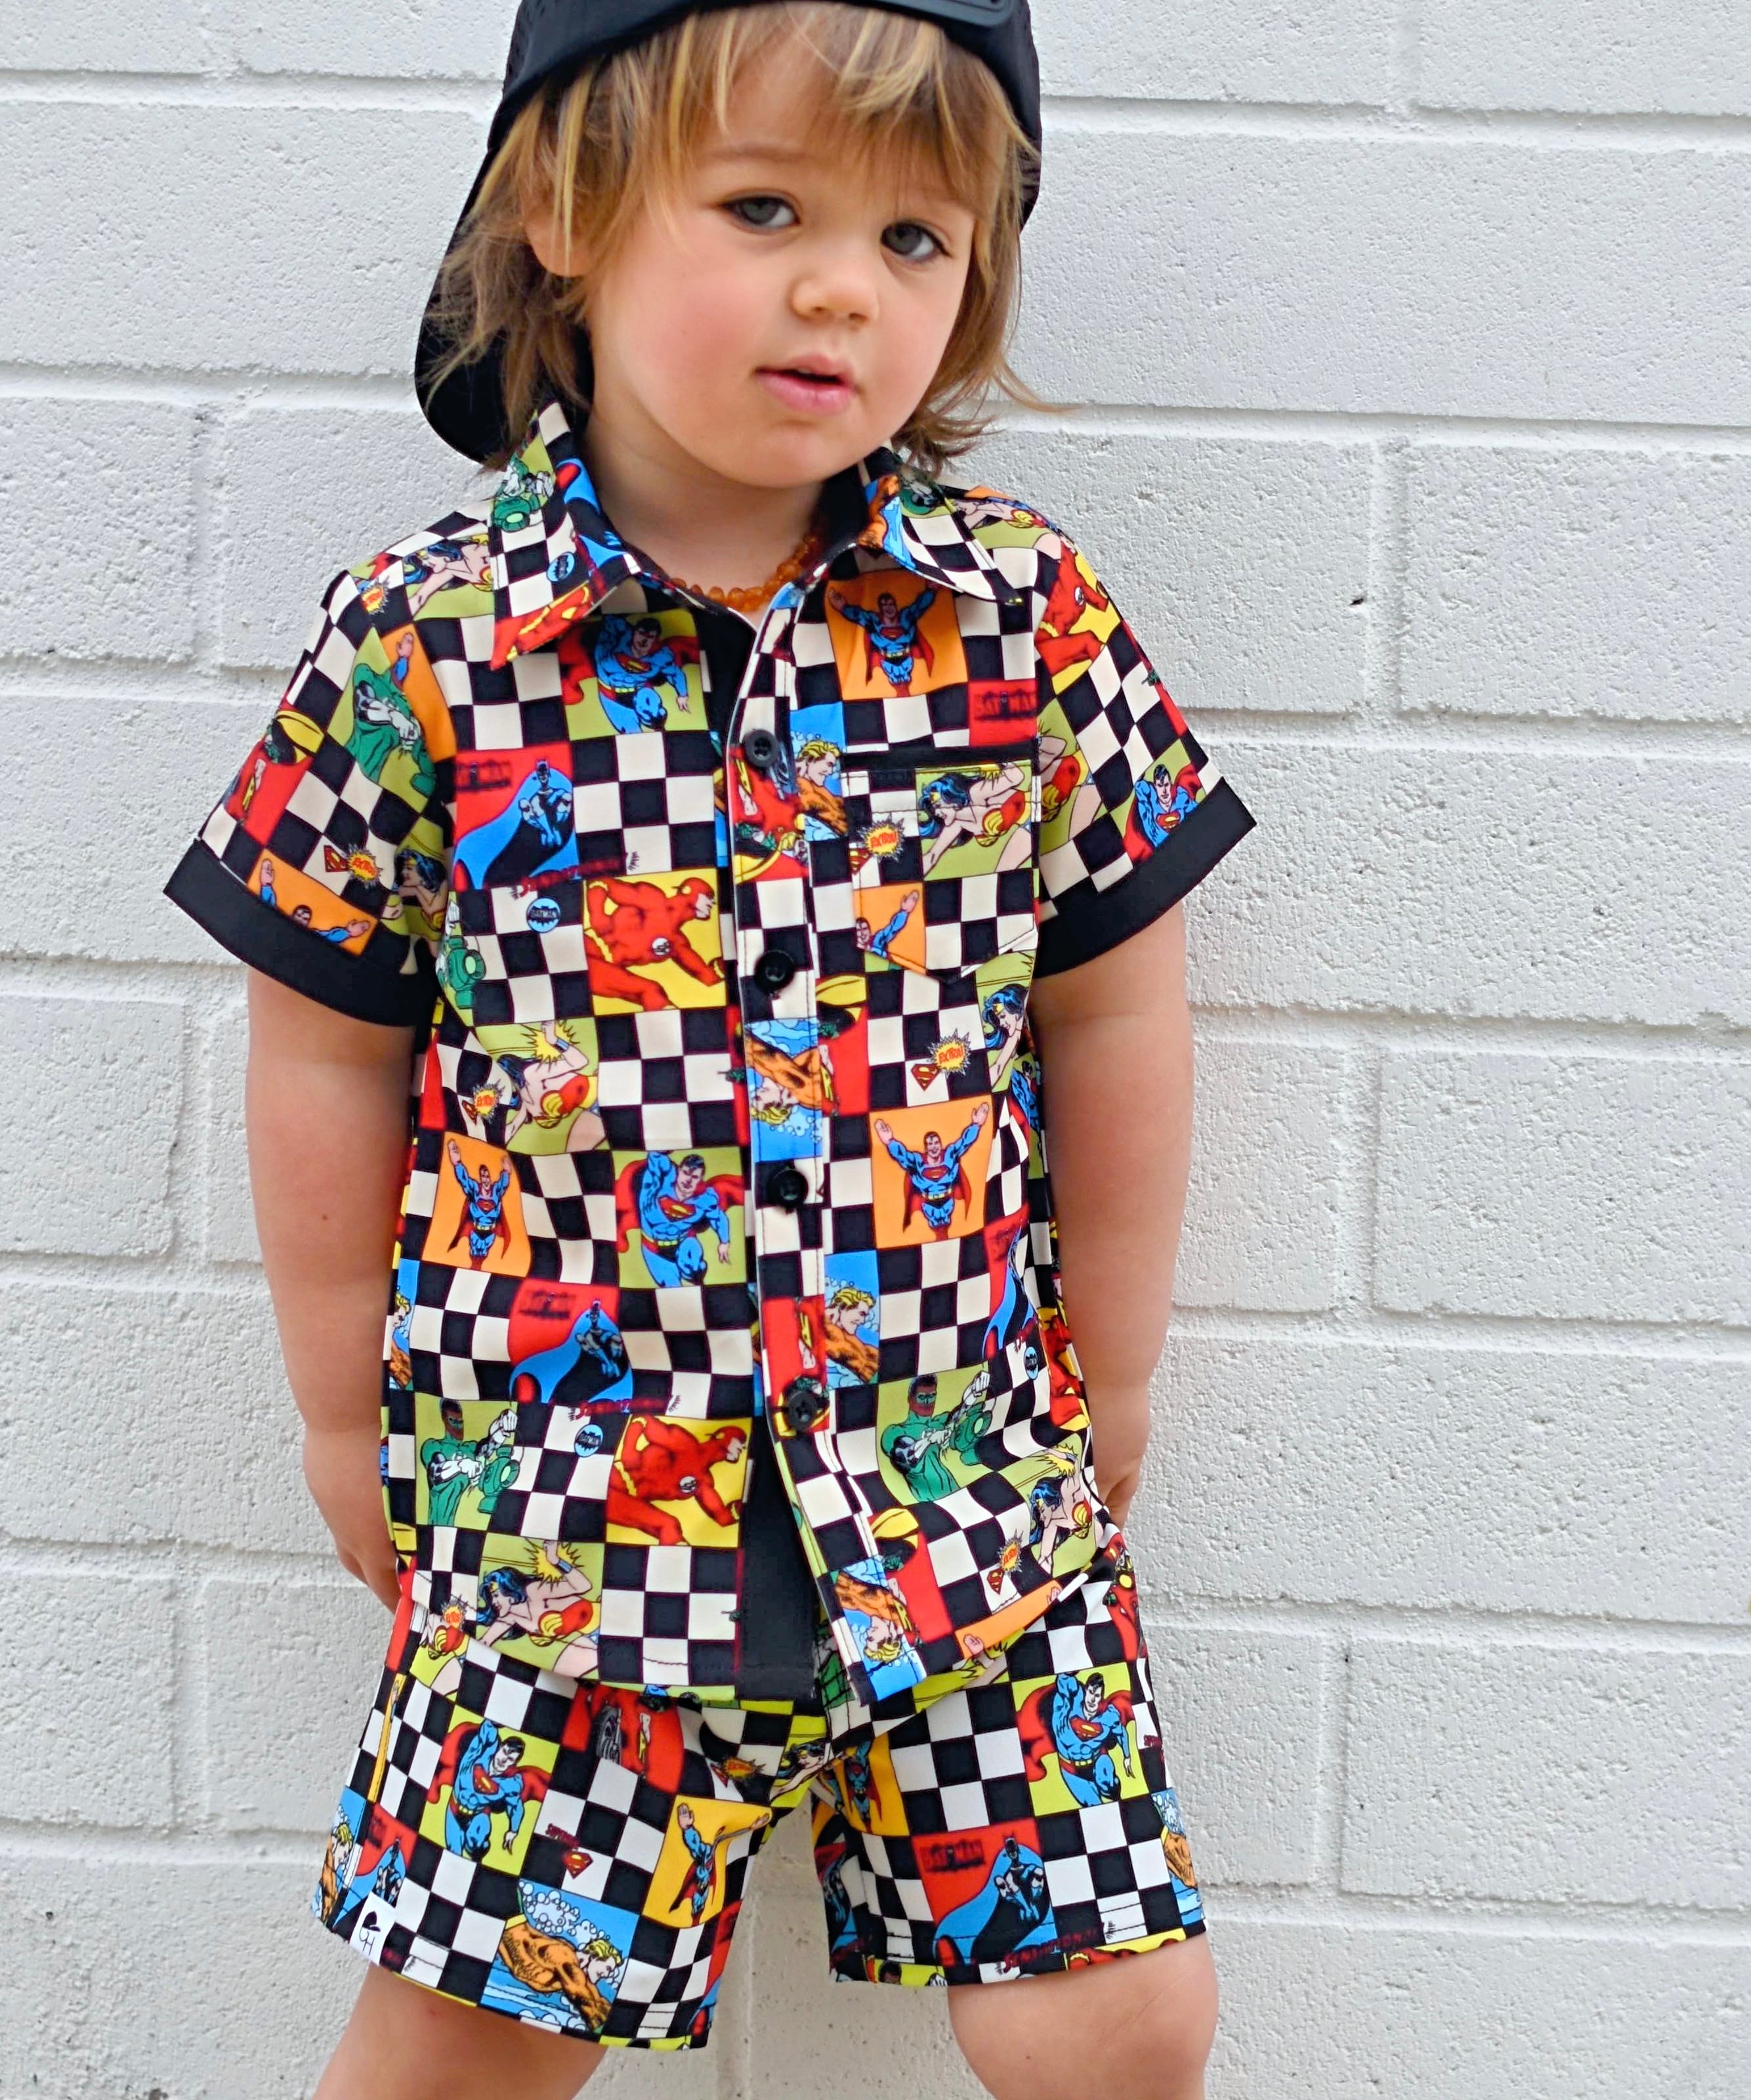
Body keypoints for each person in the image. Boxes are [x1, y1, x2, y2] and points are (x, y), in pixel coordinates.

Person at [162, 4, 1253, 2094]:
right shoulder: (428, 640)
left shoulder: (1020, 624)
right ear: (567, 213)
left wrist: (1111, 1370)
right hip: (568, 1514)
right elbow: (321, 1044)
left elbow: (1114, 999)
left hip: (960, 1495)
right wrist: (338, 1411)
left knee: (1120, 2012)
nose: (846, 289)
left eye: (916, 239)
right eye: (765, 210)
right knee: (471, 2038)